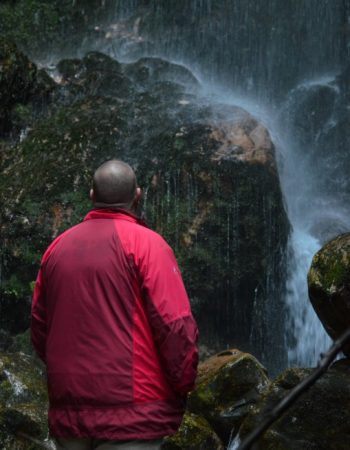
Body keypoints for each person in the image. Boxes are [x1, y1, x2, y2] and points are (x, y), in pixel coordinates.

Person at [31, 160, 199, 450]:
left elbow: (40, 330)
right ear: (138, 194)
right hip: (131, 412)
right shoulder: (149, 246)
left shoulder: (56, 249)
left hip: (69, 411)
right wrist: (183, 385)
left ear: (92, 194)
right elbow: (174, 325)